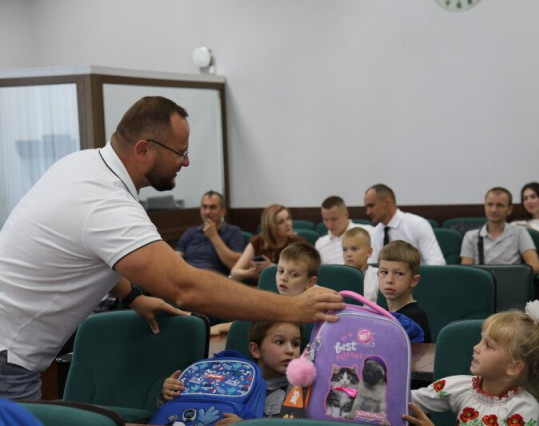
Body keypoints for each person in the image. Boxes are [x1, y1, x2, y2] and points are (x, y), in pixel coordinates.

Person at [0, 96, 344, 400]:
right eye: (180, 152)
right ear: (143, 150)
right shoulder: (105, 201)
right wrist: (292, 307)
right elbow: (186, 288)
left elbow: (90, 253)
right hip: (8, 359)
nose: (186, 162)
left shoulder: (83, 165)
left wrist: (133, 296)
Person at [407, 302, 539, 426]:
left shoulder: (524, 410)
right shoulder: (460, 387)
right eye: (481, 339)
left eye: (488, 345)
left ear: (513, 367)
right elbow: (407, 400)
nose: (476, 347)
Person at [161, 321, 303, 422]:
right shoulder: (228, 376)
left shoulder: (298, 391)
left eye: (296, 344)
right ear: (256, 350)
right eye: (279, 342)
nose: (290, 350)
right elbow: (179, 413)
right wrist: (168, 394)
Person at [211, 242, 320, 335]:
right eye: (281, 271)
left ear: (310, 282)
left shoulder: (317, 305)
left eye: (294, 275)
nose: (283, 278)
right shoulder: (278, 301)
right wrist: (220, 327)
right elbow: (252, 321)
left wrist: (221, 327)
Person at [460, 187, 539, 275]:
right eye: (490, 204)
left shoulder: (520, 232)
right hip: (482, 281)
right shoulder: (471, 236)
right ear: (485, 206)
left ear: (509, 209)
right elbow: (466, 272)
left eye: (499, 205)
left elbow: (536, 267)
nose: (494, 210)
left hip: (512, 280)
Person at [364, 184, 445, 266]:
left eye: (371, 206)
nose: (368, 212)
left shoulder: (417, 225)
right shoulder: (374, 234)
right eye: (366, 207)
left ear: (388, 202)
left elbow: (437, 263)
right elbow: (372, 267)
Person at [230, 204, 305, 285]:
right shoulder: (257, 241)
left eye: (288, 219)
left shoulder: (298, 243)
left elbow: (303, 272)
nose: (288, 224)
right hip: (258, 288)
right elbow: (234, 273)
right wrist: (251, 272)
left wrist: (272, 268)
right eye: (281, 222)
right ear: (271, 227)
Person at [175, 190, 244, 275]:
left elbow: (234, 264)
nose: (207, 212)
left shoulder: (233, 232)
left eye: (213, 207)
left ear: (223, 211)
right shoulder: (190, 232)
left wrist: (213, 236)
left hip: (215, 277)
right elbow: (176, 259)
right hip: (189, 274)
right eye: (204, 207)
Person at [377, 240, 432, 342]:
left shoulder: (413, 319)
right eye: (384, 272)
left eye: (399, 274)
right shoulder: (384, 313)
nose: (389, 280)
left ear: (414, 280)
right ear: (377, 275)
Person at [315, 195, 373, 264]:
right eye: (326, 220)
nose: (330, 224)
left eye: (334, 219)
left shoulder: (370, 232)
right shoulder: (320, 243)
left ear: (346, 214)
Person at [342, 227, 378, 302]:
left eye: (354, 249)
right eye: (345, 250)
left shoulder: (378, 276)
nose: (348, 254)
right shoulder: (337, 276)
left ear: (369, 252)